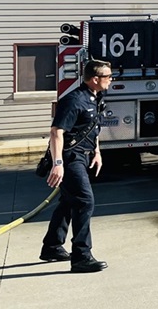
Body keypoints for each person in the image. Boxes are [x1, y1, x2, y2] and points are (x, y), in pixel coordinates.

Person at [40, 59, 110, 272]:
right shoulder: (74, 100)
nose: (111, 79)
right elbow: (56, 132)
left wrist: (96, 152)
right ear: (95, 79)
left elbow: (92, 126)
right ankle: (81, 256)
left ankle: (52, 246)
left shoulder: (97, 97)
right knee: (84, 201)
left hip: (85, 155)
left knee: (69, 201)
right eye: (108, 76)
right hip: (70, 157)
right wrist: (58, 163)